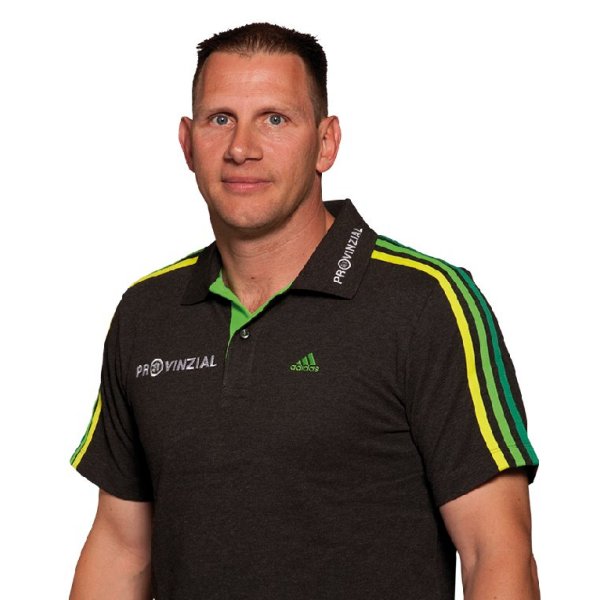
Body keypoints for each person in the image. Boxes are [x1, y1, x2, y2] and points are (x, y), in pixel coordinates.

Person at [69, 22, 540, 600]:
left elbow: (497, 551)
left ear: (326, 143)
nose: (242, 148)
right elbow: (121, 549)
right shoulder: (147, 313)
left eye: (275, 119)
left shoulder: (426, 303)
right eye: (220, 119)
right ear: (187, 143)